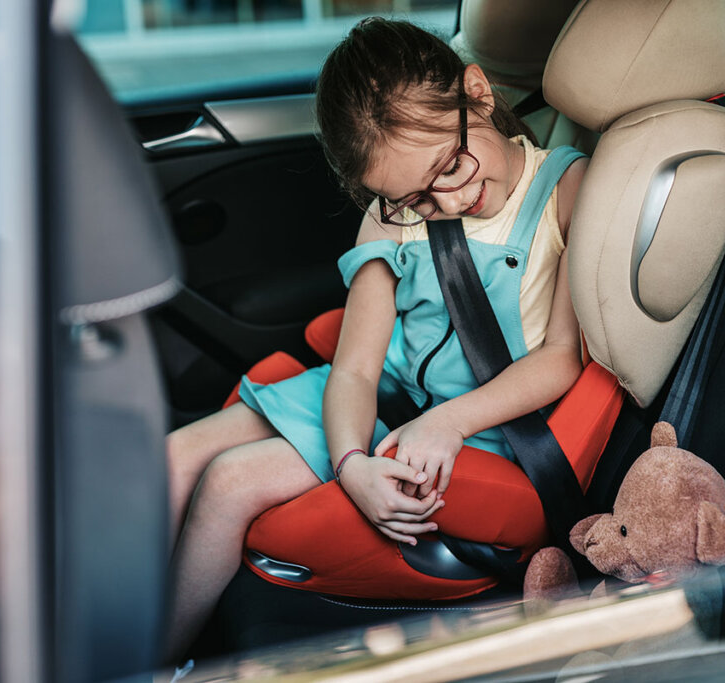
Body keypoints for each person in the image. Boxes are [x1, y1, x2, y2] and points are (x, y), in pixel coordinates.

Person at [163, 17, 587, 661]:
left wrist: (445, 423)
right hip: (379, 400)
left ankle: (158, 658)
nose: (447, 199)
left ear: (477, 92)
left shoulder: (565, 189)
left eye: (450, 164)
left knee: (228, 483)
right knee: (169, 461)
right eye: (414, 199)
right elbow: (356, 372)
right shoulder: (387, 221)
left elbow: (561, 359)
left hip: (481, 423)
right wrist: (349, 464)